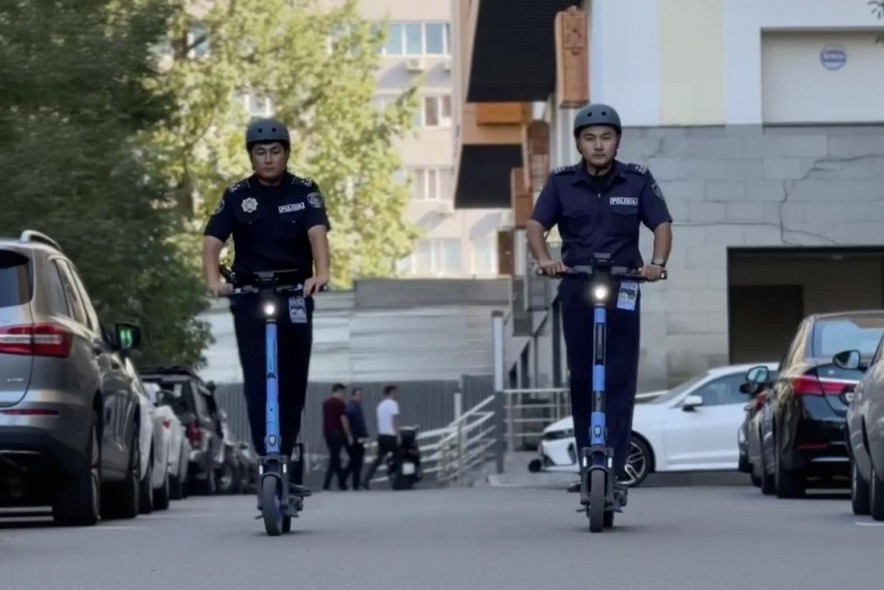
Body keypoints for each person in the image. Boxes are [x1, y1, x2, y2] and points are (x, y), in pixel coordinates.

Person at [525, 103, 672, 510]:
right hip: (576, 286)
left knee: (621, 375)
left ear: (617, 140)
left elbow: (661, 224)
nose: (598, 145)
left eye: (606, 137)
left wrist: (656, 265)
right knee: (583, 375)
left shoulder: (638, 181)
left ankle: (617, 464)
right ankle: (588, 456)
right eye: (590, 138)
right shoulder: (561, 182)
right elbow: (536, 225)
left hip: (623, 285)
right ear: (578, 143)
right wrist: (545, 260)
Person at [201, 117, 331, 499]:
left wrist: (320, 274)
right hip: (250, 296)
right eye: (261, 152)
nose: (269, 158)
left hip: (293, 294)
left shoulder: (305, 190)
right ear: (251, 156)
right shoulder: (238, 194)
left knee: (291, 383)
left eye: (276, 151)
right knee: (259, 382)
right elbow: (212, 241)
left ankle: (285, 459)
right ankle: (266, 457)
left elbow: (317, 233)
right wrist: (214, 280)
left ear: (286, 154)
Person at [361, 385, 400, 489]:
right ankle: (397, 480)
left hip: (382, 435)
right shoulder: (393, 404)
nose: (397, 394)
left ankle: (365, 481)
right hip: (391, 435)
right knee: (398, 457)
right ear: (391, 392)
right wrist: (398, 435)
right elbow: (393, 421)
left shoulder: (380, 405)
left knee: (378, 460)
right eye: (396, 392)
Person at [322, 383, 350, 491]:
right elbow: (343, 420)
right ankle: (327, 483)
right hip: (338, 434)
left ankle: (342, 483)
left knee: (335, 458)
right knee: (334, 459)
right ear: (339, 391)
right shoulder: (340, 403)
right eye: (343, 392)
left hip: (328, 433)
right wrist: (348, 435)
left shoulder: (326, 403)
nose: (344, 394)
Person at [343, 387, 368, 490]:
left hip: (358, 438)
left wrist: (365, 435)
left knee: (356, 462)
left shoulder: (357, 407)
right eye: (358, 395)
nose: (360, 397)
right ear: (352, 396)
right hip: (354, 438)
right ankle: (350, 482)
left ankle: (353, 483)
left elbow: (361, 424)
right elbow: (349, 424)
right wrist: (351, 437)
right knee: (355, 462)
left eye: (361, 394)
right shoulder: (351, 408)